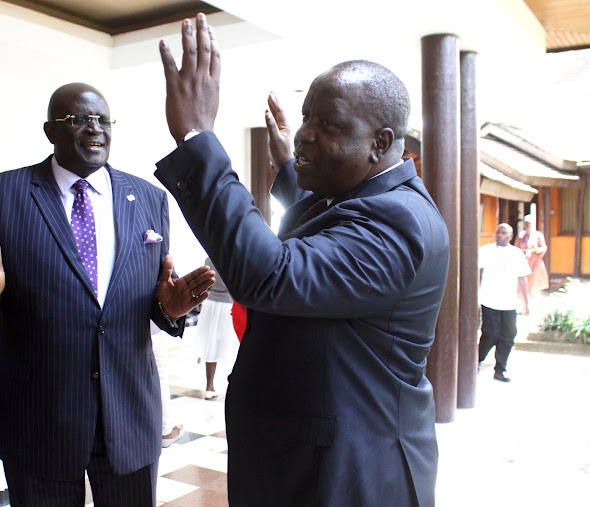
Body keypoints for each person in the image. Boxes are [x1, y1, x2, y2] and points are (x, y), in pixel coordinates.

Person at [154, 14, 449, 506]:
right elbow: (329, 225)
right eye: (307, 117)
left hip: (349, 471)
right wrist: (292, 172)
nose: (305, 134)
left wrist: (196, 139)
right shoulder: (367, 198)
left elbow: (270, 274)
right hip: (310, 458)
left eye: (328, 124)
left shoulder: (397, 222)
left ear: (380, 141)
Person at [0, 84, 215, 506]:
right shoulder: (0, 195)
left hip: (127, 415)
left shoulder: (148, 198)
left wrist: (167, 309)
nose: (94, 130)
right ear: (51, 131)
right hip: (38, 417)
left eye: (103, 120)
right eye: (79, 120)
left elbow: (152, 297)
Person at [478, 223, 531, 383]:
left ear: (510, 235)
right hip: (489, 300)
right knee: (489, 334)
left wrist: (526, 303)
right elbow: (477, 274)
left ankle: (500, 370)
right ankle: (477, 360)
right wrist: (476, 298)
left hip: (509, 303)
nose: (499, 235)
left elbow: (523, 279)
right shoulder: (485, 251)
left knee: (508, 336)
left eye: (503, 233)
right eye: (498, 232)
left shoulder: (516, 254)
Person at [193, 257, 238, 399]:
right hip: (228, 305)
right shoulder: (234, 260)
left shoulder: (209, 259)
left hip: (210, 304)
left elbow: (205, 283)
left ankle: (209, 387)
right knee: (230, 345)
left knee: (210, 345)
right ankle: (233, 385)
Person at [514, 214, 548, 304]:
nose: (528, 226)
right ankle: (524, 305)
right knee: (523, 284)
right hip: (524, 262)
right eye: (526, 224)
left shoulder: (538, 235)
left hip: (536, 263)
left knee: (535, 284)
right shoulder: (521, 236)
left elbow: (544, 248)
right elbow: (515, 249)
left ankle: (537, 305)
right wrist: (524, 251)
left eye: (530, 224)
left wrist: (536, 249)